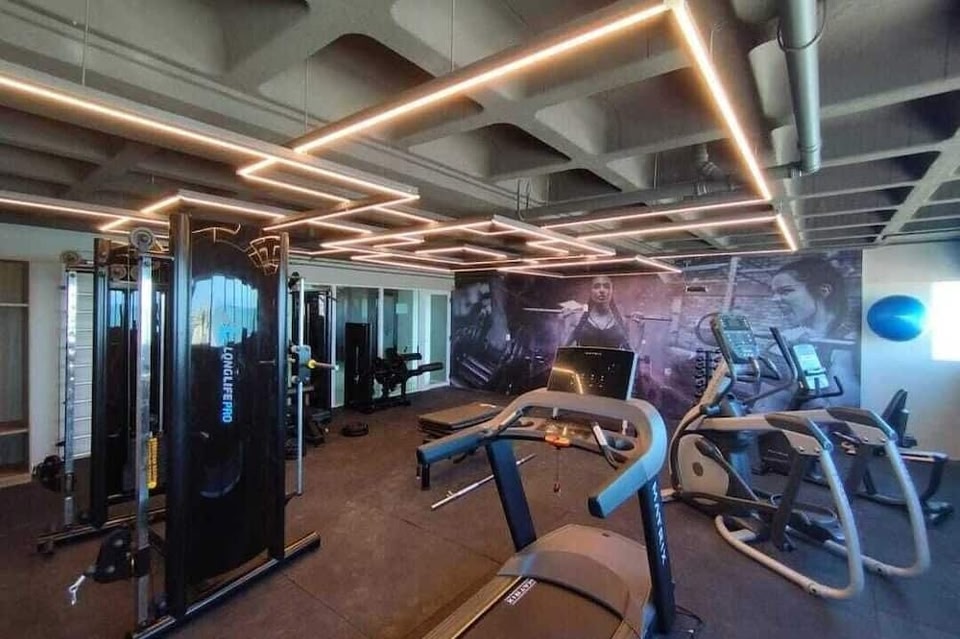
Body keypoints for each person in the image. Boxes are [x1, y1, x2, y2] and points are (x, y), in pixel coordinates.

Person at [768, 256, 860, 407]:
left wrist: (798, 365)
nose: (775, 299)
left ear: (823, 291)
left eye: (786, 291)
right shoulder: (788, 338)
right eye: (774, 293)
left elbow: (839, 412)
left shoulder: (846, 345)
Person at [560, 276, 633, 350]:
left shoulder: (623, 321)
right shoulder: (577, 319)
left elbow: (632, 352)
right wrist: (565, 323)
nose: (602, 290)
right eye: (597, 286)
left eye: (606, 286)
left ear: (612, 290)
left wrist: (638, 329)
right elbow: (562, 349)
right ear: (590, 291)